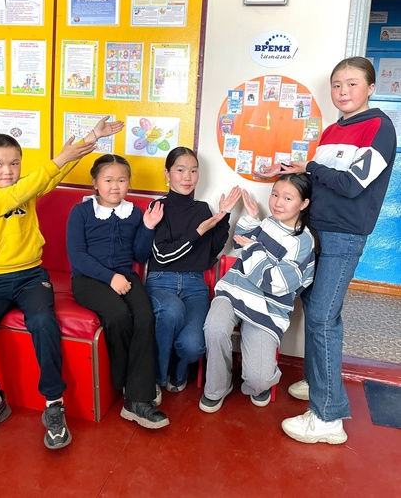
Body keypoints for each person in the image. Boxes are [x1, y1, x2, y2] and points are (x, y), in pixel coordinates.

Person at [0, 117, 124, 449]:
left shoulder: (25, 188)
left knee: (44, 323)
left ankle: (54, 403)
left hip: (31, 276)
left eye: (15, 163)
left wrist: (92, 137)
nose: (8, 171)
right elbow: (20, 191)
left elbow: (54, 173)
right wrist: (56, 161)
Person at [254, 56, 396, 444]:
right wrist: (290, 173)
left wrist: (310, 167)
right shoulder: (333, 129)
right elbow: (319, 181)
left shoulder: (380, 127)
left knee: (321, 318)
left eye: (352, 84)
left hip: (343, 235)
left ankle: (328, 417)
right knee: (318, 312)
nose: (343, 91)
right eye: (336, 85)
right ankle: (319, 382)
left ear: (370, 88)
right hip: (315, 231)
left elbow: (351, 184)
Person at [66, 154, 169, 430]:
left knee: (145, 317)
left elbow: (139, 254)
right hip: (88, 279)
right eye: (108, 180)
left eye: (121, 180)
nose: (115, 186)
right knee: (118, 315)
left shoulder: (134, 213)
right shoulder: (81, 212)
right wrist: (110, 277)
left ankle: (135, 399)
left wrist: (148, 227)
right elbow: (77, 256)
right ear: (95, 183)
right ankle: (128, 384)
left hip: (124, 276)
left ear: (129, 183)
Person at [199, 176, 315, 413]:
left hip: (269, 308)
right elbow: (240, 246)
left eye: (287, 198)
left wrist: (254, 249)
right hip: (234, 289)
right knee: (214, 327)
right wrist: (252, 219)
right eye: (275, 194)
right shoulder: (268, 222)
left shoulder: (304, 241)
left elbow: (277, 283)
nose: (278, 202)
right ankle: (218, 387)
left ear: (304, 204)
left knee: (260, 380)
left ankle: (256, 383)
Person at [145, 147, 241, 404]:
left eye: (193, 170)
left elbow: (211, 252)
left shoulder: (202, 209)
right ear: (167, 174)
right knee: (171, 311)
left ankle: (177, 374)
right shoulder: (157, 207)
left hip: (195, 285)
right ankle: (154, 379)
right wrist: (198, 232)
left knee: (194, 346)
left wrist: (223, 216)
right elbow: (162, 256)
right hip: (161, 281)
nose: (187, 177)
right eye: (180, 170)